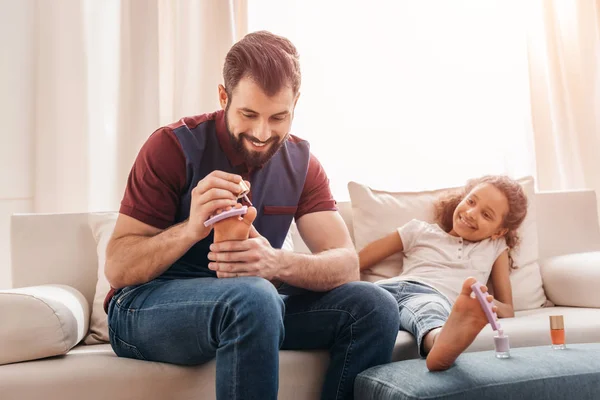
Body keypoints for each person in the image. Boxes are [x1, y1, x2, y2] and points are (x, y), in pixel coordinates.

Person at [103, 30, 399, 400]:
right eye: (249, 114)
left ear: (296, 104)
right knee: (254, 298)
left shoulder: (302, 165)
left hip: (252, 308)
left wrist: (275, 263)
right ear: (223, 96)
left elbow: (346, 264)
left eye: (279, 117)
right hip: (144, 309)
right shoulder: (172, 147)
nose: (262, 132)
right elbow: (117, 267)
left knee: (375, 307)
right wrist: (192, 229)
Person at [358, 175, 528, 371]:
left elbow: (507, 309)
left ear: (499, 231)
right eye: (471, 201)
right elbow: (357, 263)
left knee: (429, 308)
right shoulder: (418, 230)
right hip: (385, 291)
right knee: (360, 299)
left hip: (431, 298)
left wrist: (476, 301)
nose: (472, 213)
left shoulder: (495, 247)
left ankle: (440, 343)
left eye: (486, 215)